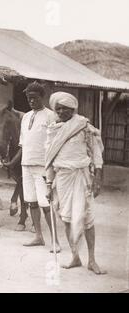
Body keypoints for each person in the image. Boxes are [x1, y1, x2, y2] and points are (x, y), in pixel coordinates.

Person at [46, 92, 106, 275]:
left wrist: (97, 178)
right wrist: (49, 184)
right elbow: (49, 159)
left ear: (73, 109)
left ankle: (92, 260)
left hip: (81, 176)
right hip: (62, 178)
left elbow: (96, 154)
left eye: (65, 108)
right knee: (66, 218)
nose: (62, 111)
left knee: (87, 219)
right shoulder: (53, 129)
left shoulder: (84, 126)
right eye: (58, 108)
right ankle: (75, 256)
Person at [18, 82, 60, 251]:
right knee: (32, 202)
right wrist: (13, 162)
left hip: (43, 166)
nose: (32, 101)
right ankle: (38, 236)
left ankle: (55, 242)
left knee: (46, 204)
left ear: (42, 97)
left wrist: (54, 168)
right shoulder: (26, 117)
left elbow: (56, 144)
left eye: (34, 98)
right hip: (26, 164)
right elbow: (23, 144)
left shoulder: (51, 116)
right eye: (29, 99)